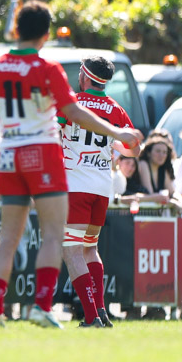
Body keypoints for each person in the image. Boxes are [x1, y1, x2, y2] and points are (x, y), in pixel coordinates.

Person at [0, 0, 142, 329]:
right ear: (46, 34)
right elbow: (75, 113)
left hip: (9, 155)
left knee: (8, 237)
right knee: (54, 237)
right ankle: (42, 307)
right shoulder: (49, 70)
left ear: (15, 29)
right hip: (45, 156)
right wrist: (117, 132)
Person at [59, 56, 138, 327]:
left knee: (72, 251)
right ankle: (101, 311)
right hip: (102, 188)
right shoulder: (116, 109)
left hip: (76, 185)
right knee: (90, 249)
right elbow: (134, 149)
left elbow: (51, 132)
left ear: (84, 76)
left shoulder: (72, 102)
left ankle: (91, 316)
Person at [137, 130, 176, 202]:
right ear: (148, 153)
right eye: (158, 151)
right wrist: (173, 203)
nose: (161, 155)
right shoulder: (143, 164)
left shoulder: (163, 168)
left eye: (164, 152)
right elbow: (150, 194)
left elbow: (172, 193)